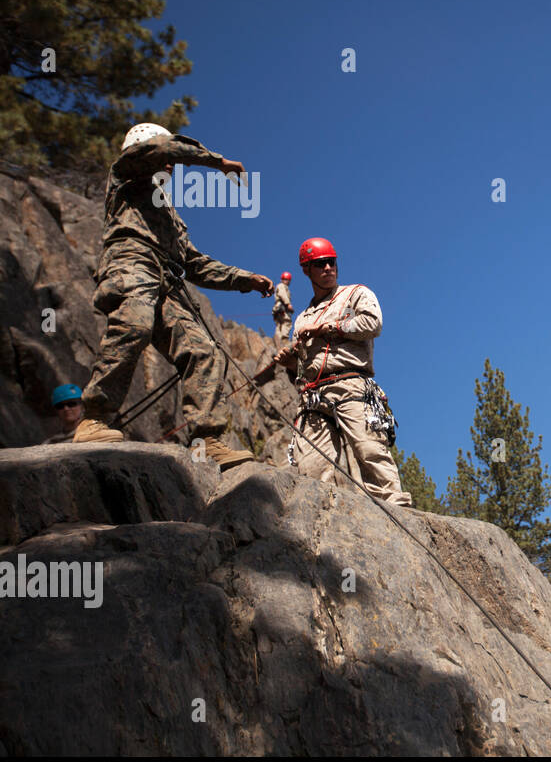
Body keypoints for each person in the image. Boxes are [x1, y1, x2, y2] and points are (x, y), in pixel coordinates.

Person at [73, 122, 274, 471]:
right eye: (164, 155)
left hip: (165, 279)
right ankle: (95, 419)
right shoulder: (126, 175)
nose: (171, 166)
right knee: (134, 324)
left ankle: (207, 442)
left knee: (203, 351)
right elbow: (164, 150)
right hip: (131, 261)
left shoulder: (168, 215)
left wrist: (247, 280)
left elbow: (195, 263)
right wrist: (218, 162)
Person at [272, 237, 412, 506]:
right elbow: (302, 368)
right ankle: (326, 518)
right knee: (312, 465)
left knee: (369, 449)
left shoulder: (356, 294)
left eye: (331, 262)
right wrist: (291, 363)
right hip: (313, 396)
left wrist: (327, 327)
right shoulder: (302, 318)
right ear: (307, 270)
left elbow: (373, 323)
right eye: (320, 264)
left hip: (351, 385)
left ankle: (396, 510)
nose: (328, 268)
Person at [272, 271, 294, 347]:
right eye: (286, 279)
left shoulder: (279, 286)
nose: (286, 281)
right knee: (286, 322)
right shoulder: (282, 286)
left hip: (278, 309)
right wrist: (288, 304)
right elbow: (283, 295)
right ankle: (284, 339)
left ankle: (277, 340)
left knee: (279, 325)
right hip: (283, 308)